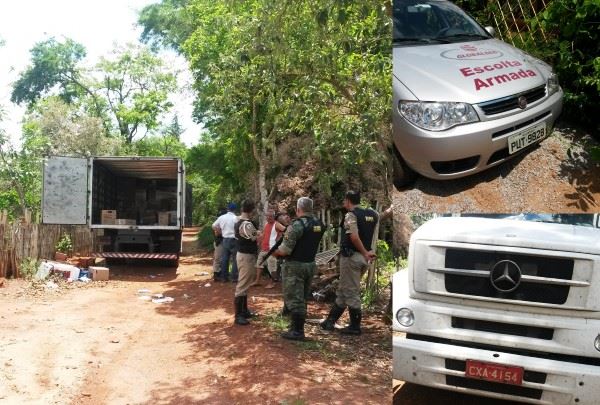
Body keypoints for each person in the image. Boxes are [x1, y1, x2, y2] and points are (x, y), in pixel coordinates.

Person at [320, 191, 384, 336]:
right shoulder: (372, 214)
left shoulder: (351, 215)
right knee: (343, 290)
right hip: (363, 259)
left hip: (352, 258)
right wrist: (367, 253)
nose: (343, 203)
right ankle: (329, 322)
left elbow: (354, 237)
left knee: (351, 292)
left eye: (344, 200)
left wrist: (364, 252)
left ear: (348, 201)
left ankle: (355, 327)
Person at [273, 197, 325, 340]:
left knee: (295, 298)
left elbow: (284, 250)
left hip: (295, 266)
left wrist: (274, 253)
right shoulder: (319, 224)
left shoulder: (296, 225)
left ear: (298, 209)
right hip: (310, 264)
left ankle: (297, 332)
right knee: (302, 296)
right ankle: (295, 327)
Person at [233, 199, 261, 325]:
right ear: (252, 210)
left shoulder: (240, 221)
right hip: (246, 256)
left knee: (245, 284)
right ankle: (239, 315)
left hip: (244, 255)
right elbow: (255, 237)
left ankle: (244, 311)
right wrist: (259, 234)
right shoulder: (246, 224)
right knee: (243, 284)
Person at [254, 209, 286, 288]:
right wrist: (259, 237)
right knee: (259, 265)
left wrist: (280, 240)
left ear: (274, 216)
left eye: (271, 216)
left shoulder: (277, 224)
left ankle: (272, 283)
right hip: (264, 249)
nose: (269, 217)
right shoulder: (266, 224)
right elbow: (264, 235)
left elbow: (286, 231)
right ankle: (257, 281)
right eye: (267, 216)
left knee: (272, 266)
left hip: (272, 250)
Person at [212, 202, 239, 282]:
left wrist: (220, 231)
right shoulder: (236, 218)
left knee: (225, 258)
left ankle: (224, 277)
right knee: (235, 259)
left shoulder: (222, 217)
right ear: (235, 210)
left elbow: (213, 225)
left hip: (225, 239)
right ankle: (234, 278)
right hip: (234, 240)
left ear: (228, 209)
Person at [212, 208, 227, 282]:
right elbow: (216, 233)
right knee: (217, 258)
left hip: (223, 242)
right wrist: (223, 233)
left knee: (221, 259)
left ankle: (220, 273)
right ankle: (216, 274)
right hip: (219, 242)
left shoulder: (221, 221)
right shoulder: (218, 223)